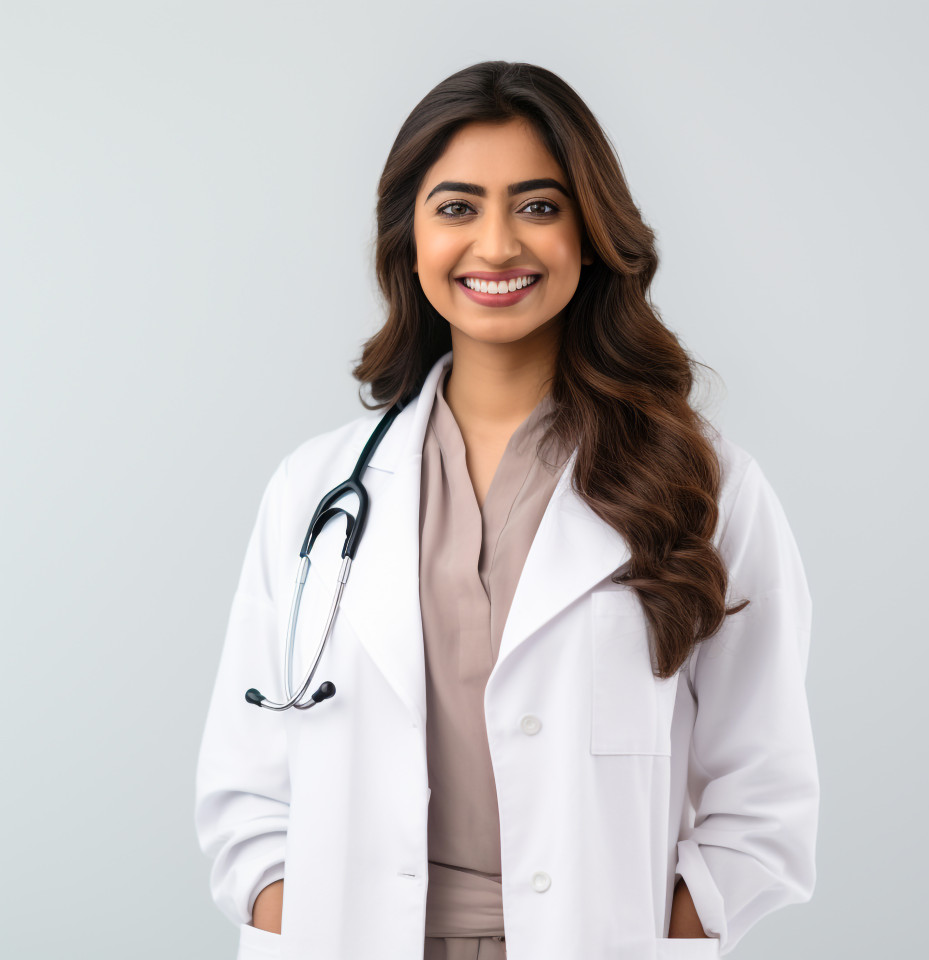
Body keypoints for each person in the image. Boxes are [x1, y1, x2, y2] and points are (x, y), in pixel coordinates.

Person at [195, 61, 819, 960]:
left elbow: (766, 790)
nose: (495, 246)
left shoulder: (701, 486)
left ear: (592, 234)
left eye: (538, 206)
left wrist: (679, 933)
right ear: (408, 238)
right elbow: (244, 784)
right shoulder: (313, 492)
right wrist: (280, 909)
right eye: (456, 208)